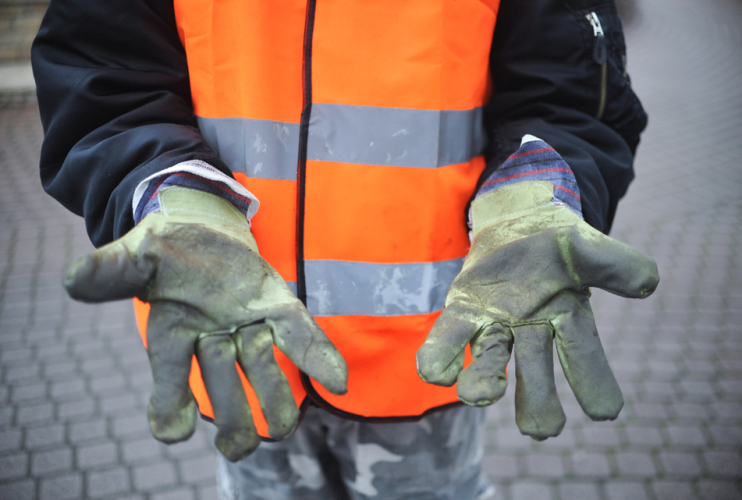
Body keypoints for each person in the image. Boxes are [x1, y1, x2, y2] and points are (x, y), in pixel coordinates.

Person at [32, 0, 658, 498]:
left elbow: (570, 89)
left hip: (426, 355)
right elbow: (103, 72)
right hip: (238, 345)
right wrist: (161, 184)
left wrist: (536, 180)